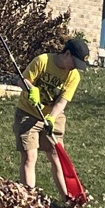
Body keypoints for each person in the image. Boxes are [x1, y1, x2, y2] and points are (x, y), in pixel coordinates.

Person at [14, 38, 89, 197]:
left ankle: (68, 200)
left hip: (53, 116)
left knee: (56, 157)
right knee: (30, 157)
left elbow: (62, 101)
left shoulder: (73, 76)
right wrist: (31, 89)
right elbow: (22, 81)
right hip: (28, 114)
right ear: (67, 54)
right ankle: (29, 202)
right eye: (74, 63)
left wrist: (52, 118)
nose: (75, 68)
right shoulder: (42, 61)